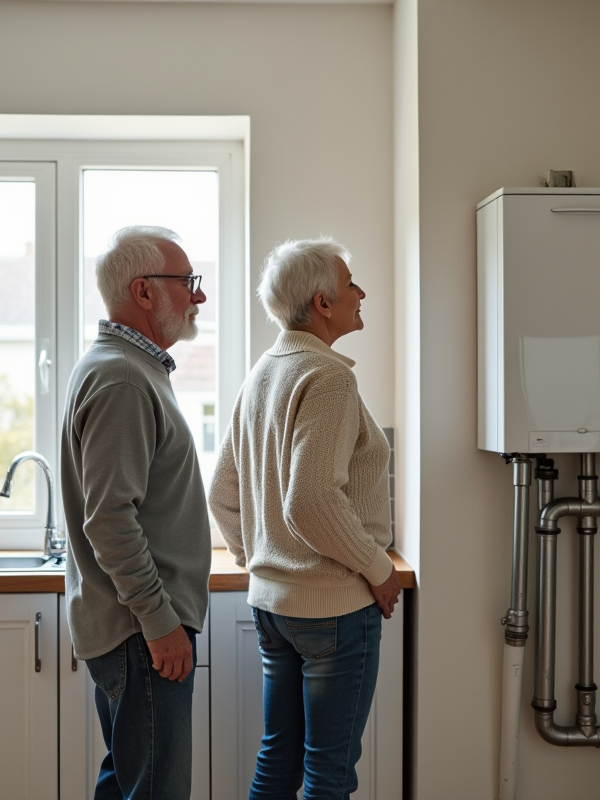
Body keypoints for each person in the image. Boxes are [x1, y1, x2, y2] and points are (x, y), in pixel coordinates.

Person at [209, 237, 400, 800]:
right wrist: (378, 568)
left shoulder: (263, 372)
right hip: (334, 610)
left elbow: (222, 494)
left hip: (273, 608)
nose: (360, 293)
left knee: (278, 761)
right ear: (322, 302)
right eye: (350, 285)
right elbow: (311, 501)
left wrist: (263, 561)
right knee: (328, 775)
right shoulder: (329, 377)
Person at [60, 225, 213, 800]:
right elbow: (110, 521)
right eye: (187, 282)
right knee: (153, 791)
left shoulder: (129, 367)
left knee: (128, 781)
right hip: (142, 631)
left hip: (136, 629)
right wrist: (160, 622)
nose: (197, 296)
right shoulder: (123, 376)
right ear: (144, 291)